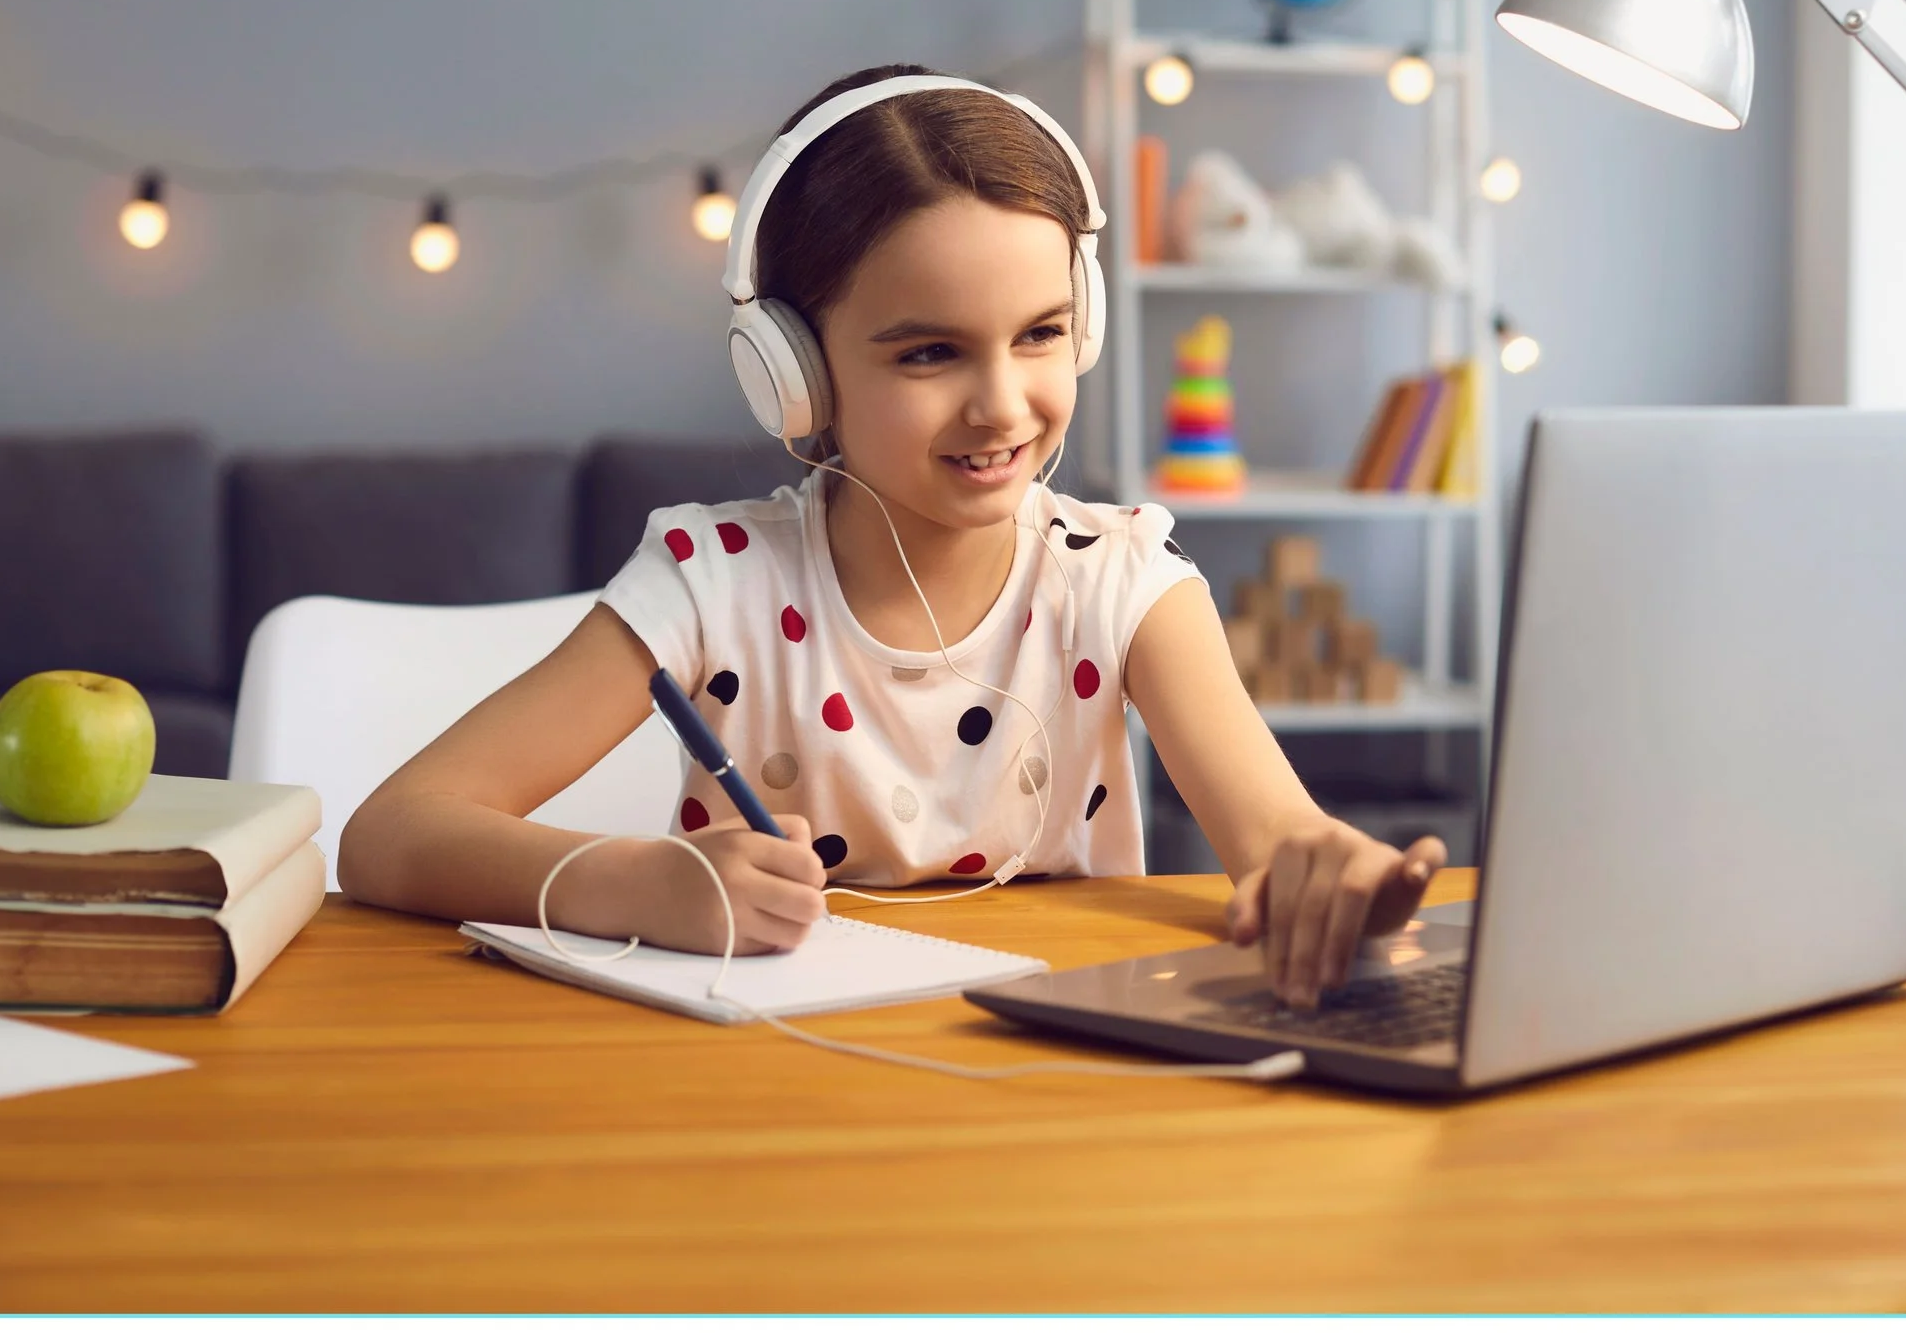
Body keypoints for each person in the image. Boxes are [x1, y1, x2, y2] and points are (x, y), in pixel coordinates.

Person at [338, 64, 1445, 1009]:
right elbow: (388, 832)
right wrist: (625, 881)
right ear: (794, 371)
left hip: (1046, 1071)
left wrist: (1325, 872)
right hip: (767, 1072)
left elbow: (1281, 835)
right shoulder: (709, 582)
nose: (1002, 404)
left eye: (1041, 333)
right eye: (928, 353)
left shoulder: (1124, 581)